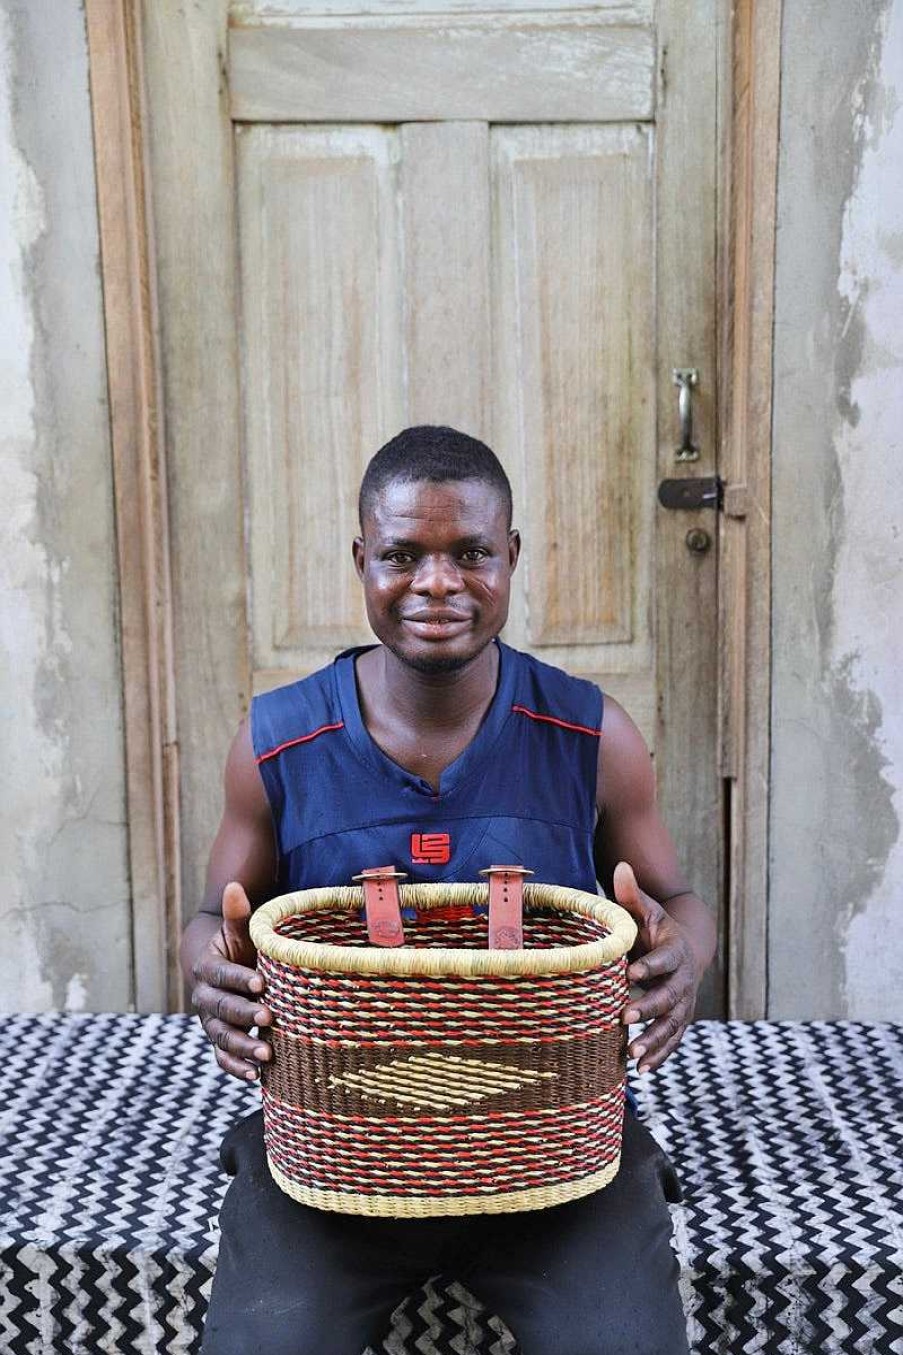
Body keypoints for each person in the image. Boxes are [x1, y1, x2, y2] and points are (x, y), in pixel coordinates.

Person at [183, 426, 716, 1355]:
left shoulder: (592, 735)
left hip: (553, 1150)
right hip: (336, 1146)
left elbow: (679, 899)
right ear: (361, 560)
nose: (436, 583)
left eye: (471, 552)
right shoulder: (276, 740)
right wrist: (208, 974)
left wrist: (681, 957)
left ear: (511, 556)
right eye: (402, 555)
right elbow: (209, 918)